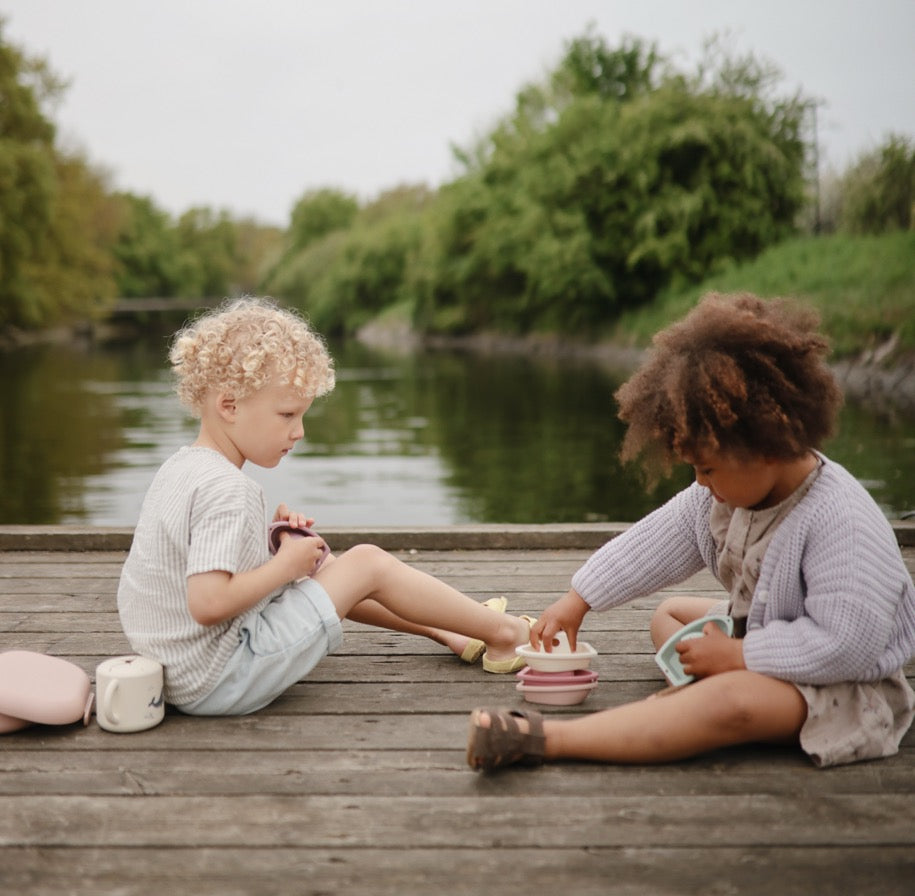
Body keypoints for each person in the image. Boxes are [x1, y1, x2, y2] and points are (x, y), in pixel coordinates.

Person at [467, 292, 915, 772]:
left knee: (730, 699)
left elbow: (847, 645)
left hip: (843, 691)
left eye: (707, 468)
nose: (701, 483)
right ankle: (701, 695)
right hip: (770, 634)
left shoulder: (839, 520)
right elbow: (656, 541)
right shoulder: (726, 494)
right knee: (671, 615)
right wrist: (579, 599)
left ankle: (547, 740)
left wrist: (740, 656)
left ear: (767, 444)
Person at [117, 297, 533, 716]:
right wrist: (284, 568)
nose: (299, 432)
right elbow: (207, 604)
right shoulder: (228, 489)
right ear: (229, 406)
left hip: (175, 672)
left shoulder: (181, 467)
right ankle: (506, 633)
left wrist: (272, 546)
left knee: (324, 565)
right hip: (221, 677)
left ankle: (453, 632)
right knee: (366, 563)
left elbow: (200, 567)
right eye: (287, 414)